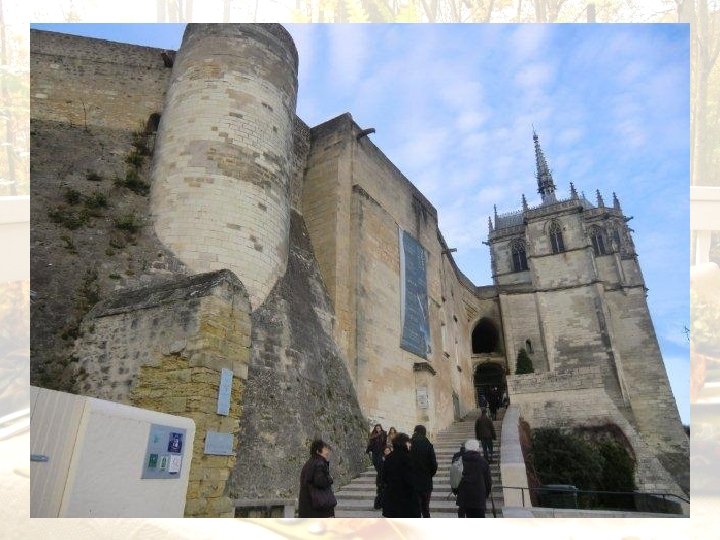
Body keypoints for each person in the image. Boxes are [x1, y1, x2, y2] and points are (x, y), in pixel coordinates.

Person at [381, 432, 421, 517]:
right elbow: (412, 479)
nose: (410, 444)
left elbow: (383, 477)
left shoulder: (388, 458)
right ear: (404, 443)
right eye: (408, 442)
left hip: (392, 498)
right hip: (408, 500)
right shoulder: (409, 458)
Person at [298, 439, 337, 518]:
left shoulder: (309, 463)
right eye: (325, 449)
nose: (327, 452)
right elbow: (320, 481)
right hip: (318, 507)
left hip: (307, 506)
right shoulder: (319, 463)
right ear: (318, 451)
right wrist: (330, 479)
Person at [456, 438, 492, 518]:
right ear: (477, 448)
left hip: (464, 497)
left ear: (466, 448)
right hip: (479, 497)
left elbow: (455, 480)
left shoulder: (459, 461)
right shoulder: (483, 462)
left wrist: (457, 491)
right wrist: (485, 494)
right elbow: (488, 482)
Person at [410, 424, 438, 518]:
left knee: (415, 508)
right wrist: (429, 474)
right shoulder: (428, 445)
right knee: (425, 509)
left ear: (415, 431)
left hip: (413, 481)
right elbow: (434, 464)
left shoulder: (410, 444)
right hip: (426, 481)